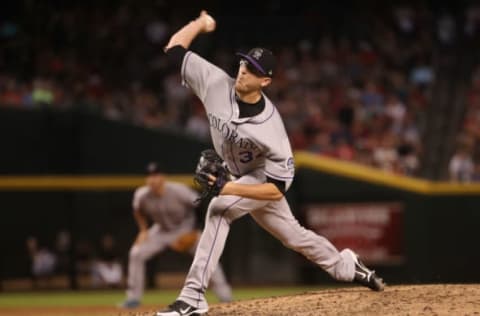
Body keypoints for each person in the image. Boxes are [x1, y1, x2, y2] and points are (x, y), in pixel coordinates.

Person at [155, 10, 386, 316]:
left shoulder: (271, 129)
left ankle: (193, 296)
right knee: (295, 236)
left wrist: (229, 187)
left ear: (265, 80)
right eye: (243, 64)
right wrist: (200, 23)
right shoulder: (214, 82)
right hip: (237, 175)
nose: (243, 71)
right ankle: (346, 264)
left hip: (261, 178)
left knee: (219, 208)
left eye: (252, 70)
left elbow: (276, 189)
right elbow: (174, 50)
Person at [119, 162, 232, 309]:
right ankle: (133, 298)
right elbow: (137, 210)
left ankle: (225, 296)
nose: (153, 179)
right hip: (161, 231)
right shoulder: (142, 194)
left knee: (207, 254)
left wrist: (195, 231)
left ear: (163, 177)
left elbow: (199, 205)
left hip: (185, 229)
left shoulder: (178, 191)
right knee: (136, 253)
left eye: (156, 175)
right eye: (150, 176)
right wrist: (143, 230)